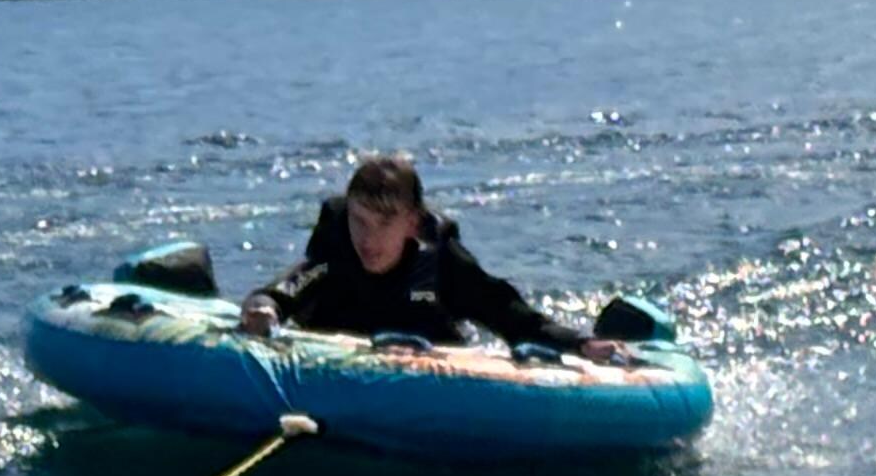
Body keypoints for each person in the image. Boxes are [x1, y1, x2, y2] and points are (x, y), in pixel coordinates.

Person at [237, 152, 618, 355]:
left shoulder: (440, 262)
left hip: (429, 361)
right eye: (359, 221)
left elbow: (510, 316)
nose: (368, 239)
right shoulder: (335, 251)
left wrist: (580, 343)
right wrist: (263, 308)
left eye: (384, 223)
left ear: (413, 223)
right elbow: (283, 290)